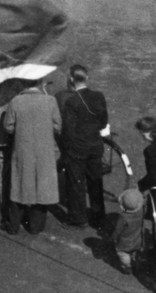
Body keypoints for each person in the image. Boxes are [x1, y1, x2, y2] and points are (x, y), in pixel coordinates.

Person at [2, 77, 62, 235]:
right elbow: (57, 125)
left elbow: (8, 127)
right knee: (41, 187)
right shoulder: (51, 101)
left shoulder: (16, 101)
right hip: (44, 150)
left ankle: (13, 225)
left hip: (23, 149)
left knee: (19, 184)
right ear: (42, 84)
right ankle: (36, 226)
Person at [56, 64, 110, 228]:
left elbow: (68, 130)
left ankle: (78, 218)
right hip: (95, 147)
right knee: (95, 182)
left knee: (76, 184)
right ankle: (98, 216)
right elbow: (103, 122)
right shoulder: (98, 96)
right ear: (87, 78)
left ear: (71, 79)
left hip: (77, 150)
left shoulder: (71, 101)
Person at [110, 188, 145, 275]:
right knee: (135, 252)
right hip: (137, 239)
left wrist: (113, 237)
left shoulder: (123, 217)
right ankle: (136, 263)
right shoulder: (141, 212)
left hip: (124, 242)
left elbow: (118, 230)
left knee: (123, 253)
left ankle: (127, 266)